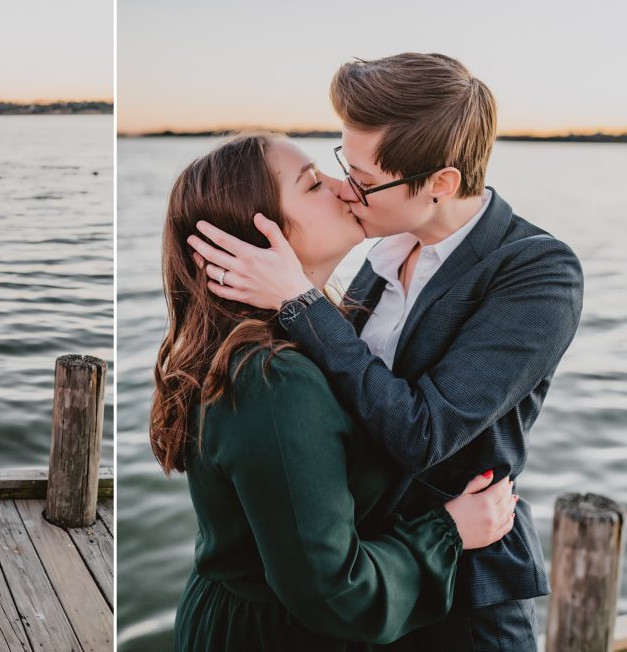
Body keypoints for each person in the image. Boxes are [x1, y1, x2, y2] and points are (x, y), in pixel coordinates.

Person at [190, 54, 584, 650]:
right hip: (366, 579)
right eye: (344, 164)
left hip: (463, 589)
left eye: (366, 181)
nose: (348, 189)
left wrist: (301, 301)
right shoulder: (381, 247)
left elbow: (424, 432)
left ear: (441, 184)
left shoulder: (537, 272)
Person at [155, 132, 517, 651]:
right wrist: (450, 532)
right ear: (265, 237)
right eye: (312, 184)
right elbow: (333, 592)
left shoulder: (289, 341)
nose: (342, 185)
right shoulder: (273, 381)